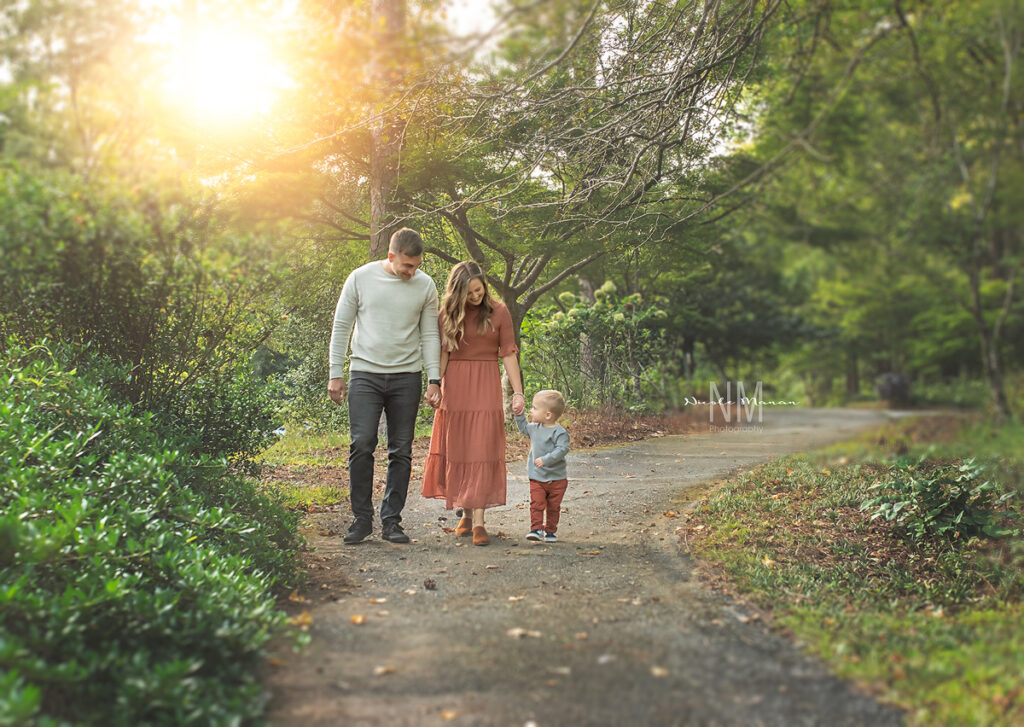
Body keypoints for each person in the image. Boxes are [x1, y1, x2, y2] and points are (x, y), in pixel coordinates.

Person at [327, 228, 442, 545]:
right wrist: (335, 372)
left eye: (416, 266)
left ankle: (392, 521)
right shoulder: (360, 278)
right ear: (391, 257)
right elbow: (342, 325)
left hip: (407, 376)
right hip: (365, 372)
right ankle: (362, 519)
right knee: (362, 443)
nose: (412, 272)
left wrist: (434, 379)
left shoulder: (426, 285)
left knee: (401, 451)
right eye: (407, 266)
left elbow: (430, 335)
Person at [421, 261, 525, 546]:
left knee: (481, 447)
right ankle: (465, 514)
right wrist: (435, 385)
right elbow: (443, 354)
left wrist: (518, 392)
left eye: (478, 290)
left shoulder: (499, 311)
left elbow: (508, 354)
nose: (476, 296)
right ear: (457, 293)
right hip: (456, 386)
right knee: (460, 448)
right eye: (469, 293)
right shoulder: (446, 315)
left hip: (485, 384)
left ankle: (479, 521)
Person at [514, 390, 570, 543]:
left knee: (553, 506)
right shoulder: (534, 428)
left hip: (557, 478)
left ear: (548, 415)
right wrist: (519, 415)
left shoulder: (560, 433)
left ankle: (550, 531)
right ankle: (536, 529)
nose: (531, 411)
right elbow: (523, 427)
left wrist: (546, 459)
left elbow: (562, 449)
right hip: (537, 477)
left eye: (534, 408)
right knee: (537, 504)